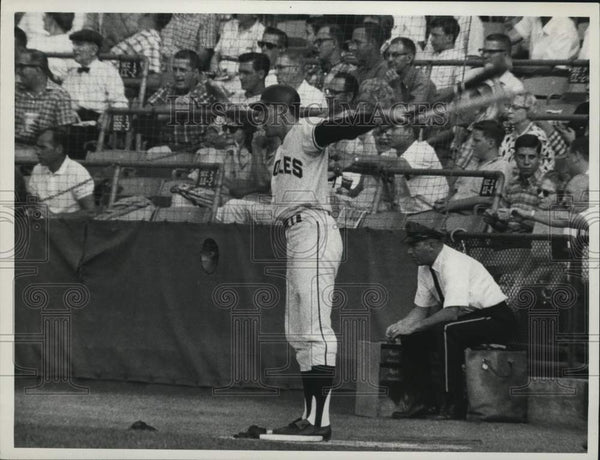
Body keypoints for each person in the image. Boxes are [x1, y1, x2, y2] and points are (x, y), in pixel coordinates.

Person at [242, 84, 384, 440]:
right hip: (295, 234)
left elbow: (340, 128)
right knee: (298, 331)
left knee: (316, 329)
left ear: (280, 110)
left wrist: (375, 116)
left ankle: (320, 422)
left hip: (314, 228)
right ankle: (310, 417)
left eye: (264, 110)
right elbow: (263, 182)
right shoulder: (280, 149)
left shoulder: (303, 131)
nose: (260, 118)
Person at [385, 221, 516, 420]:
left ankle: (453, 404)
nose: (409, 252)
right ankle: (423, 402)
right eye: (409, 246)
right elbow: (421, 310)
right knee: (414, 338)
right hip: (468, 318)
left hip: (496, 318)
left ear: (431, 245)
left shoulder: (453, 263)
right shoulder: (424, 267)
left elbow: (451, 312)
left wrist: (415, 326)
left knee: (447, 331)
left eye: (414, 246)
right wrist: (403, 326)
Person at [144, 49, 217, 150]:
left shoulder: (205, 88)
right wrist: (167, 110)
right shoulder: (169, 87)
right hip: (170, 146)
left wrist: (161, 111)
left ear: (195, 73)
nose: (177, 75)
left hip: (197, 148)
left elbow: (184, 107)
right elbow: (147, 109)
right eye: (175, 69)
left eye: (182, 70)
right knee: (153, 153)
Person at [435, 120, 513, 214]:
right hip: (451, 213)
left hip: (472, 219)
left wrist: (452, 205)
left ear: (491, 143)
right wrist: (446, 201)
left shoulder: (499, 166)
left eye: (476, 141)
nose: (472, 144)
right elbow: (457, 190)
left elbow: (487, 199)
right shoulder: (472, 163)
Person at [376, 123, 448, 214]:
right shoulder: (389, 153)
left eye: (394, 129)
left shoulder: (423, 149)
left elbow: (403, 166)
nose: (388, 133)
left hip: (431, 212)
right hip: (405, 213)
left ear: (409, 131)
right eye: (387, 129)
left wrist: (359, 159)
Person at [27, 127, 96, 217]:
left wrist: (56, 218)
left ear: (59, 149)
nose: (37, 152)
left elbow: (90, 212)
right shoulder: (38, 169)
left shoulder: (78, 172)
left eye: (43, 148)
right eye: (37, 147)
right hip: (40, 226)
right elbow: (33, 201)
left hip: (67, 228)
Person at [62, 29, 128, 120]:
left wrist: (107, 116)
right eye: (74, 44)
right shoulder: (71, 75)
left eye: (79, 44)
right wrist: (69, 111)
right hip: (73, 122)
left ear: (93, 50)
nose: (74, 48)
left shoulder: (108, 72)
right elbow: (63, 100)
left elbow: (120, 103)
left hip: (98, 125)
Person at [15, 49, 77, 145]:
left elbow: (64, 133)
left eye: (22, 66)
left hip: (42, 149)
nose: (17, 70)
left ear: (38, 69)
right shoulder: (14, 92)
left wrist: (45, 132)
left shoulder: (59, 95)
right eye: (17, 66)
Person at [487, 134, 545, 232]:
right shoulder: (511, 184)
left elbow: (547, 224)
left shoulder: (547, 185)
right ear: (515, 157)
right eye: (521, 157)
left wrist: (517, 218)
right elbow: (503, 226)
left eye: (531, 157)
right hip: (508, 241)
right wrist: (493, 220)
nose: (526, 162)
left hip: (534, 242)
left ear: (539, 158)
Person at [499, 93, 567, 174]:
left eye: (515, 108)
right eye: (509, 107)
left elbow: (544, 170)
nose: (509, 111)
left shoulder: (538, 136)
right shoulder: (508, 136)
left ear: (529, 111)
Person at [417, 16, 466, 92]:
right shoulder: (428, 55)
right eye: (431, 35)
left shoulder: (459, 58)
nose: (431, 39)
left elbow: (458, 89)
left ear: (449, 38)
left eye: (435, 35)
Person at [383, 37, 436, 104]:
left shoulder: (422, 82)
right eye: (387, 55)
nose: (390, 59)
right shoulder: (390, 77)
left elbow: (406, 113)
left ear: (409, 58)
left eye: (395, 55)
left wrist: (396, 87)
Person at [27, 13, 77, 82]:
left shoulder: (71, 43)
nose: (43, 19)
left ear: (51, 18)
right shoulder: (74, 44)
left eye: (45, 16)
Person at [507, 16, 580, 61]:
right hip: (534, 75)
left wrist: (509, 66)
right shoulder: (534, 15)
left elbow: (548, 67)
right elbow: (512, 36)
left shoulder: (566, 26)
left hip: (556, 79)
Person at [314, 24, 357, 90]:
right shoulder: (318, 70)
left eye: (320, 41)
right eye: (316, 42)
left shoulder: (350, 71)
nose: (316, 46)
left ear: (334, 43)